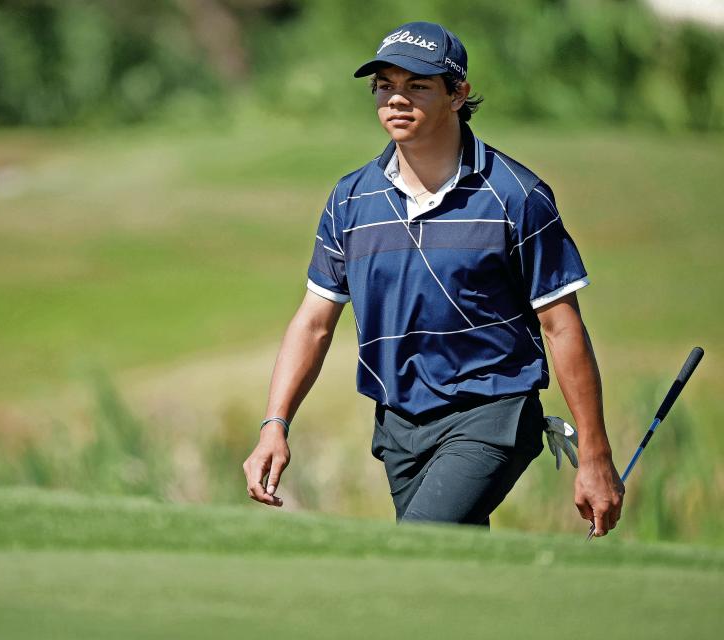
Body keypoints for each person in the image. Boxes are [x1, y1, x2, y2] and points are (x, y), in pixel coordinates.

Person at [241, 21, 625, 535]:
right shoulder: (351, 200)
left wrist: (596, 457)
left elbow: (562, 327)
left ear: (457, 93)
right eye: (384, 85)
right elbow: (313, 323)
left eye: (417, 85)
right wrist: (274, 426)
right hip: (399, 424)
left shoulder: (517, 196)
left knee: (415, 544)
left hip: (492, 413)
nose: (396, 99)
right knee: (448, 568)